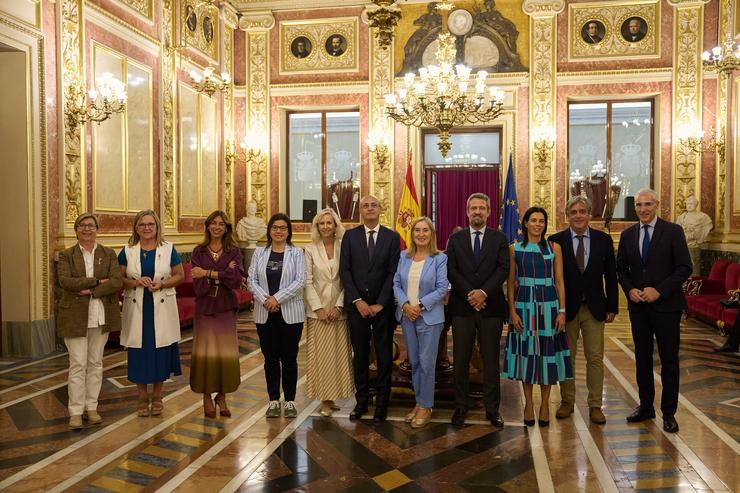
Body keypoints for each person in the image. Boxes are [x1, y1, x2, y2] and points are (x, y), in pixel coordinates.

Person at [617, 188, 692, 433]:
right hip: (639, 308)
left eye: (647, 204)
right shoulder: (627, 235)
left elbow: (684, 268)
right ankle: (646, 406)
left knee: (669, 361)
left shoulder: (673, 232)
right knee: (642, 359)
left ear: (657, 205)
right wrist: (630, 290)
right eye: (639, 205)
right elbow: (622, 270)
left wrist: (659, 291)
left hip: (667, 307)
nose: (643, 209)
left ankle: (668, 412)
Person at [549, 196, 618, 424]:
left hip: (595, 308)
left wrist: (613, 306)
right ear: (567, 215)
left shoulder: (603, 240)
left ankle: (595, 405)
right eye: (574, 212)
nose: (578, 215)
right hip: (566, 309)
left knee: (595, 358)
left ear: (589, 214)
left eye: (582, 211)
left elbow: (611, 275)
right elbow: (552, 278)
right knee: (566, 357)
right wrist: (554, 308)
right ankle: (567, 401)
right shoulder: (555, 241)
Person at [503, 207, 572, 427]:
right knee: (527, 355)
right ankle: (528, 404)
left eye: (542, 221)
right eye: (533, 220)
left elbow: (560, 280)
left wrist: (562, 311)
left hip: (549, 306)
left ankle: (544, 403)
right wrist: (512, 311)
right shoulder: (514, 249)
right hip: (524, 306)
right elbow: (511, 283)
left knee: (546, 355)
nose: (537, 224)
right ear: (525, 223)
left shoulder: (555, 248)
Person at [446, 193, 509, 427]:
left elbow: (503, 269)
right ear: (467, 211)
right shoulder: (456, 239)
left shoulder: (499, 238)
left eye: (482, 208)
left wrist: (483, 293)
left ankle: (492, 409)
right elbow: (451, 270)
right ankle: (460, 407)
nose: (477, 212)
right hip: (462, 308)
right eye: (473, 208)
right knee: (460, 360)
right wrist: (470, 294)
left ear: (489, 212)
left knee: (491, 361)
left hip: (490, 307)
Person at [57, 213, 123, 429]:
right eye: (82, 225)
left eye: (91, 226)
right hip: (74, 317)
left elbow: (115, 281)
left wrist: (91, 290)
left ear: (97, 229)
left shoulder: (108, 253)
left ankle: (91, 407)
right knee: (77, 364)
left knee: (95, 363)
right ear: (76, 230)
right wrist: (96, 281)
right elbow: (66, 281)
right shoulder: (66, 255)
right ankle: (75, 412)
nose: (87, 229)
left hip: (101, 315)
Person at [340, 195, 401, 422]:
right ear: (361, 212)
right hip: (358, 308)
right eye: (365, 206)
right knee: (361, 356)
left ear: (380, 209)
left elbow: (392, 272)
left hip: (382, 308)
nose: (369, 209)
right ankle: (362, 401)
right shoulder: (350, 236)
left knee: (385, 355)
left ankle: (382, 403)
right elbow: (345, 271)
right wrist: (358, 300)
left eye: (374, 205)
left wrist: (380, 303)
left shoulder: (392, 237)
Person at [119, 210, 184, 417]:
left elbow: (180, 275)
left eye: (150, 224)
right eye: (142, 224)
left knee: (160, 352)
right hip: (138, 307)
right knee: (139, 352)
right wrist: (136, 282)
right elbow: (119, 280)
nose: (147, 228)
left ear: (157, 227)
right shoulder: (127, 251)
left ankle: (157, 396)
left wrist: (162, 283)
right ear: (136, 228)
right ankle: (141, 397)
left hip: (161, 305)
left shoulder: (168, 248)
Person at [248, 213, 306, 419]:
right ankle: (273, 400)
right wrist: (266, 299)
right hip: (264, 313)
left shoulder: (297, 253)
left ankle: (290, 400)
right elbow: (251, 280)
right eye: (275, 227)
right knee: (270, 359)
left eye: (283, 228)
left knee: (289, 358)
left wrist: (277, 299)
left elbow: (300, 281)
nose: (279, 231)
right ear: (269, 230)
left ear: (288, 231)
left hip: (291, 314)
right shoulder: (259, 253)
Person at [393, 217, 448, 428]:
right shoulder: (403, 257)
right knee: (414, 362)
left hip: (429, 318)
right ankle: (419, 402)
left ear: (431, 234)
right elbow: (396, 283)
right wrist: (406, 305)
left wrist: (419, 306)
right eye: (417, 230)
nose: (421, 234)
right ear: (412, 234)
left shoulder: (439, 258)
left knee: (426, 363)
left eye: (426, 230)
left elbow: (442, 288)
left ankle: (426, 405)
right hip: (407, 316)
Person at [189, 211, 244, 418]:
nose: (217, 227)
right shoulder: (198, 251)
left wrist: (208, 273)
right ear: (208, 226)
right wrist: (222, 273)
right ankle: (206, 396)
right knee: (205, 352)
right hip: (205, 306)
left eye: (221, 224)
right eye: (214, 223)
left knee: (225, 353)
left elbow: (235, 280)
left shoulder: (233, 251)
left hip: (226, 306)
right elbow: (198, 283)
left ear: (226, 228)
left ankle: (222, 396)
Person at [304, 208, 353, 417]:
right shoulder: (309, 249)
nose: (325, 226)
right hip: (318, 313)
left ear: (335, 226)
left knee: (338, 355)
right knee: (321, 357)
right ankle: (324, 399)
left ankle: (333, 396)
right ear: (317, 227)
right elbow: (307, 281)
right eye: (321, 223)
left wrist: (339, 305)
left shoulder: (345, 247)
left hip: (340, 310)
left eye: (329, 223)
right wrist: (319, 308)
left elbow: (349, 277)